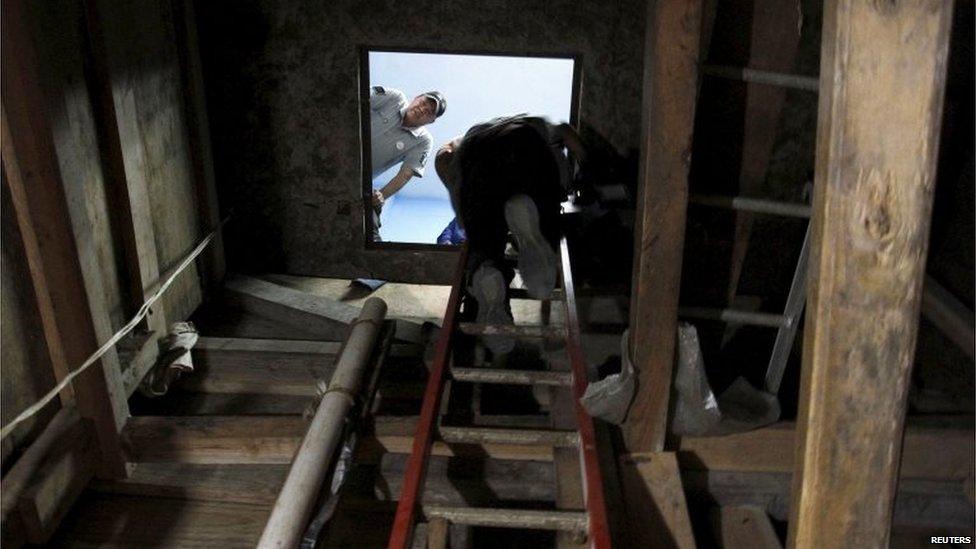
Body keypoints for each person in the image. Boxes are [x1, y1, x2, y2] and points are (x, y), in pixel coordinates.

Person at [435, 115, 586, 353]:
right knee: (537, 211)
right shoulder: (531, 121)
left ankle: (487, 271)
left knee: (485, 242)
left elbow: (443, 157)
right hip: (525, 145)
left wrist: (463, 206)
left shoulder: (471, 134)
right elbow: (566, 132)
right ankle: (532, 236)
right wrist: (590, 168)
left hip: (476, 161)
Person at [369, 86, 446, 241]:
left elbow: (405, 174)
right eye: (424, 102)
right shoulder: (394, 98)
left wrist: (381, 196)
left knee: (371, 217)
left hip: (359, 178)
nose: (422, 109)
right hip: (338, 143)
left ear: (431, 121)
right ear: (417, 97)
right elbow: (359, 98)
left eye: (430, 111)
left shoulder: (423, 141)